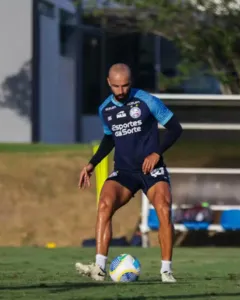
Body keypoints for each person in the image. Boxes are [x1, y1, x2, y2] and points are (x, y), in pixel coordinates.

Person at [76, 63, 183, 283]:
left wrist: (156, 152)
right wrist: (92, 164)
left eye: (125, 85)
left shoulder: (147, 100)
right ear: (109, 82)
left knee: (163, 207)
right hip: (124, 171)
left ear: (131, 82)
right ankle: (99, 267)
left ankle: (166, 270)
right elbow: (109, 138)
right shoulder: (105, 109)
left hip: (152, 169)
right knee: (104, 204)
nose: (121, 91)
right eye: (116, 86)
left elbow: (175, 128)